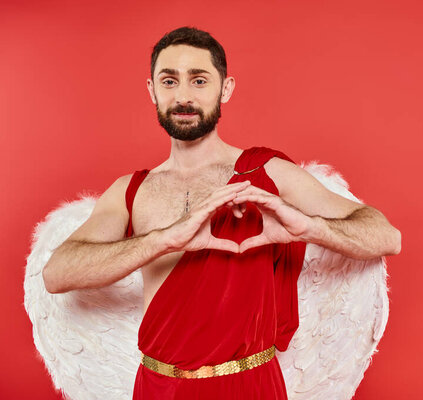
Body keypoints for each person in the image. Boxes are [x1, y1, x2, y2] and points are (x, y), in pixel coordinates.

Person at [42, 26, 401, 399]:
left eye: (199, 80)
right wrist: (163, 240)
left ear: (225, 88)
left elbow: (387, 237)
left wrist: (309, 228)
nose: (183, 95)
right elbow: (57, 274)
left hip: (250, 385)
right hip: (158, 387)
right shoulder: (130, 190)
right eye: (169, 81)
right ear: (152, 90)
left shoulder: (265, 172)